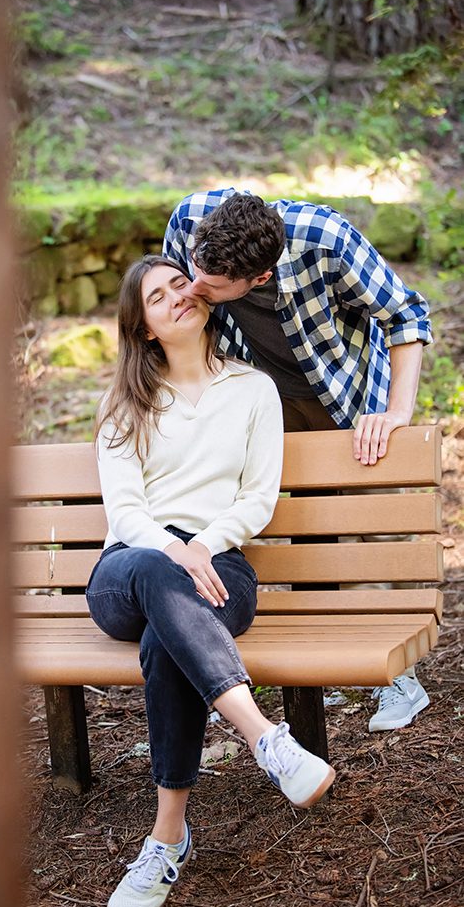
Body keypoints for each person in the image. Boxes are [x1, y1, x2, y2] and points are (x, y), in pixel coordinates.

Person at [86, 254, 335, 907]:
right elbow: (126, 511)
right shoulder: (127, 401)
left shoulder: (252, 390)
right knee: (159, 577)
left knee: (172, 636)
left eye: (179, 285)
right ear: (141, 327)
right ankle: (264, 739)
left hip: (219, 563)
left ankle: (166, 836)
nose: (175, 298)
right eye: (156, 297)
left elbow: (257, 497)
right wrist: (172, 547)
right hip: (131, 567)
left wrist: (203, 543)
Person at [163, 189, 433, 733]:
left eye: (212, 288)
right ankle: (316, 668)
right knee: (290, 524)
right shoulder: (192, 219)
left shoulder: (326, 241)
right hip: (253, 393)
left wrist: (397, 412)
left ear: (257, 279)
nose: (193, 289)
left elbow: (405, 315)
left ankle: (399, 676)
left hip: (340, 390)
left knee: (353, 526)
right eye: (194, 268)